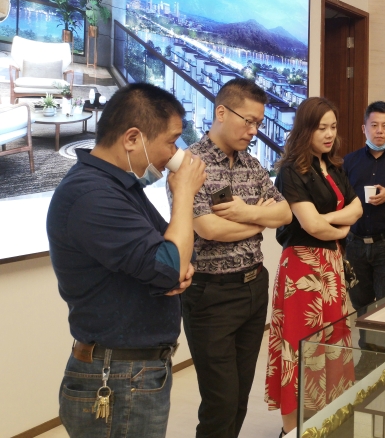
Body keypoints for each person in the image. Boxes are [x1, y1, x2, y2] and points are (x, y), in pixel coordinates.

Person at [47, 83, 206, 438]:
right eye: (171, 141)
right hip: (118, 375)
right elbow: (170, 266)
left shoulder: (121, 187)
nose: (175, 154)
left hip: (132, 372)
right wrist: (183, 193)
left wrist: (177, 263)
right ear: (133, 138)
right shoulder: (91, 195)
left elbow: (180, 253)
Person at [170, 78, 292, 438]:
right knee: (220, 402)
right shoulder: (191, 165)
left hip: (254, 287)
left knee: (239, 397)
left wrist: (245, 213)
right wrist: (259, 221)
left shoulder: (252, 164)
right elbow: (208, 228)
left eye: (258, 123)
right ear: (221, 112)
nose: (254, 131)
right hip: (212, 294)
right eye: (249, 121)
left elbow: (284, 213)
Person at [265, 97, 363, 436]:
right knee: (299, 345)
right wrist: (339, 226)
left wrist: (328, 220)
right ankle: (291, 430)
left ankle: (324, 419)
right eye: (321, 127)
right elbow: (310, 226)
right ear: (305, 129)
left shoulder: (333, 166)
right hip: (302, 267)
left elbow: (357, 209)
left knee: (334, 341)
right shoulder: (291, 170)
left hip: (332, 264)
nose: (329, 134)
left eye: (333, 127)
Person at [343, 101, 385, 313]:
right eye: (374, 125)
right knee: (360, 304)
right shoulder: (349, 162)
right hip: (355, 243)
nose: (379, 130)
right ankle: (365, 336)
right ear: (364, 128)